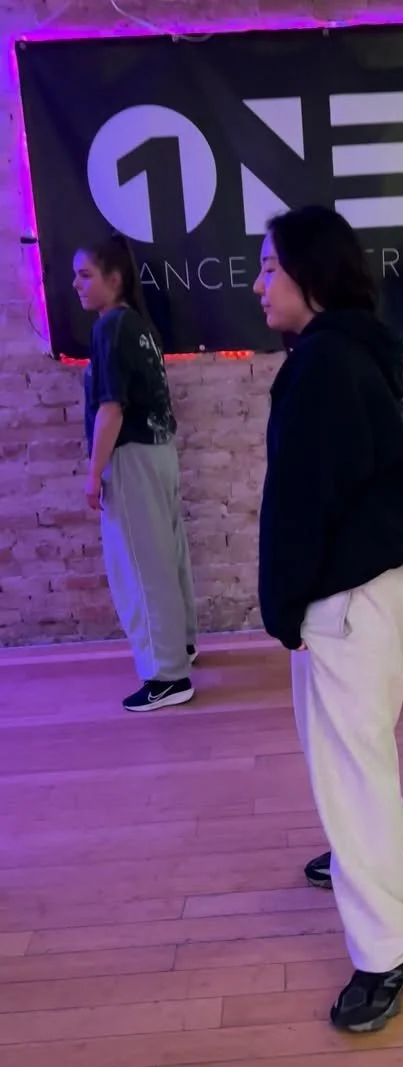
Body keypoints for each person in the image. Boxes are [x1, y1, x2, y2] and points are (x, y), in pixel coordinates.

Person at [253, 204, 403, 1033]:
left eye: (269, 268)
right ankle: (389, 852)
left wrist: (280, 607)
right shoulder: (354, 349)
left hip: (345, 596)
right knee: (367, 751)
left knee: (349, 772)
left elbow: (298, 503)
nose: (259, 285)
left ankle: (387, 952)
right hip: (376, 584)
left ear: (310, 277)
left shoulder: (322, 364)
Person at [73, 232, 197, 712]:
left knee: (142, 568)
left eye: (85, 275)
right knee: (168, 555)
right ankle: (181, 645)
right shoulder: (141, 326)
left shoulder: (110, 328)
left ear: (114, 279)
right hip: (160, 451)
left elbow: (111, 408)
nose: (77, 284)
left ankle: (168, 675)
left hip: (132, 457)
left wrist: (93, 475)